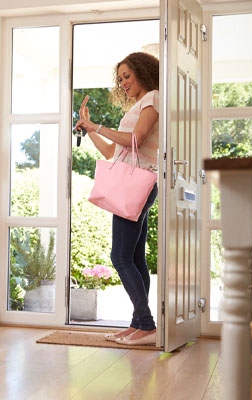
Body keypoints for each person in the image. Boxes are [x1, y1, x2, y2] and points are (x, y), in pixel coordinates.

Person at [75, 52, 159, 345]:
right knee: (134, 257)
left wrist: (97, 126)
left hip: (137, 184)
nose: (123, 82)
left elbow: (135, 140)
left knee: (120, 256)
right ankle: (138, 324)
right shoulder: (140, 104)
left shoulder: (153, 99)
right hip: (133, 182)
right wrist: (89, 127)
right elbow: (114, 153)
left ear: (143, 72)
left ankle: (147, 325)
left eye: (127, 76)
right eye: (120, 78)